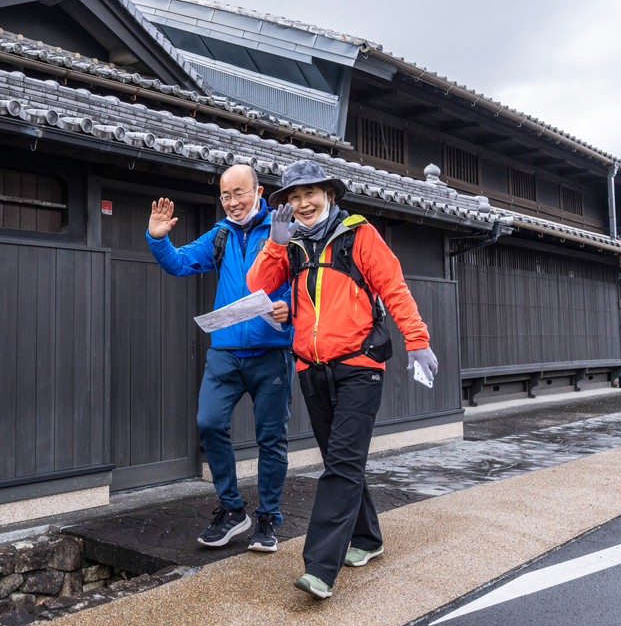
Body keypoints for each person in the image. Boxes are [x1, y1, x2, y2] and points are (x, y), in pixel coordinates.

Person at [246, 160, 439, 598]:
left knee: (343, 464)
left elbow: (394, 288)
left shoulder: (358, 234)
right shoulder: (290, 244)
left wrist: (418, 340)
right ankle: (368, 539)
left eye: (309, 194)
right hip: (311, 368)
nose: (302, 204)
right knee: (342, 461)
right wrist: (275, 244)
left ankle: (320, 566)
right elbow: (257, 284)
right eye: (293, 198)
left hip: (359, 365)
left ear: (329, 194)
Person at [146, 164, 294, 552]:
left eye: (240, 193)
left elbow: (308, 284)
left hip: (272, 353)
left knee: (271, 438)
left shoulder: (284, 233)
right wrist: (158, 239)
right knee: (209, 424)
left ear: (259, 192)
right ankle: (232, 511)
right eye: (226, 195)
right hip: (225, 352)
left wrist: (288, 309)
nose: (233, 202)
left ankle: (267, 519)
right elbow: (179, 264)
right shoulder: (221, 236)